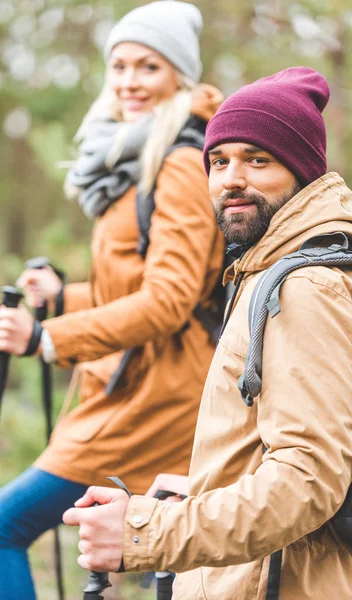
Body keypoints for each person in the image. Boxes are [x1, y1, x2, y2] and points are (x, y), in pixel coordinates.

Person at [63, 66, 352, 599]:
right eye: (218, 161)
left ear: (304, 170)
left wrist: (144, 532)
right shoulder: (285, 265)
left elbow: (306, 482)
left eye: (257, 160)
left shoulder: (305, 287)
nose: (231, 179)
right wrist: (201, 486)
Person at [0, 2, 224, 598]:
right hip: (130, 385)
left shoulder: (178, 162)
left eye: (148, 66)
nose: (129, 81)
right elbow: (132, 285)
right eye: (119, 65)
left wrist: (48, 338)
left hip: (157, 393)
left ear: (179, 74)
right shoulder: (136, 156)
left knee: (4, 526)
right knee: (166, 565)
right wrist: (60, 300)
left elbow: (171, 299)